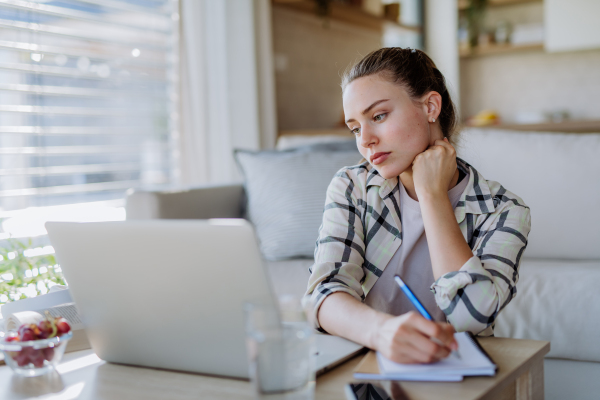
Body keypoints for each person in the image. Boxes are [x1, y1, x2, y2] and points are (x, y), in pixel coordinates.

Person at [305, 48, 531, 365]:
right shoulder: (352, 187)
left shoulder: (503, 211)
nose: (365, 139)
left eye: (378, 116)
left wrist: (432, 195)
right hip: (368, 367)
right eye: (356, 127)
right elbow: (323, 294)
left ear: (430, 106)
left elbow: (472, 316)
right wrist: (382, 332)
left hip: (457, 376)